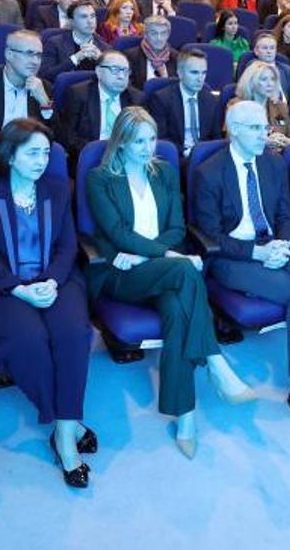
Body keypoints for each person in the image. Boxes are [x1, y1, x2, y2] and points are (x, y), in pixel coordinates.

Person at [86, 107, 252, 456]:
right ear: (121, 142)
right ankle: (216, 362)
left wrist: (154, 255)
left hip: (155, 267)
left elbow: (177, 228)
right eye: (138, 141)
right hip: (122, 273)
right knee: (186, 269)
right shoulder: (100, 178)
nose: (147, 148)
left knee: (178, 310)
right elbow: (116, 232)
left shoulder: (163, 172)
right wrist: (169, 256)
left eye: (150, 139)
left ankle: (186, 417)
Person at [193, 101, 290, 441]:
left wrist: (285, 244)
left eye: (265, 126)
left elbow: (284, 213)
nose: (264, 133)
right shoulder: (208, 172)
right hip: (234, 259)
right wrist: (258, 253)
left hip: (272, 245)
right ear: (232, 129)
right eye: (254, 128)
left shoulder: (273, 163)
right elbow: (210, 237)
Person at [0, 119, 96, 486]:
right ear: (10, 154)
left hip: (56, 279)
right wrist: (19, 288)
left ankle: (64, 437)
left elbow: (67, 245)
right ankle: (67, 422)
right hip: (3, 286)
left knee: (73, 335)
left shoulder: (57, 188)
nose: (42, 161)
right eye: (32, 153)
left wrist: (52, 280)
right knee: (28, 342)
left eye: (45, 153)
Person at [58, 50, 142, 160]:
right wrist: (98, 154)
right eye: (115, 70)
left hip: (126, 157)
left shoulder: (136, 99)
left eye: (125, 71)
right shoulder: (79, 95)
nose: (121, 76)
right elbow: (70, 137)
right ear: (99, 72)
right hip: (90, 157)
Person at [146, 49, 220, 157]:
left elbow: (216, 137)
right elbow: (161, 138)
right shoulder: (161, 99)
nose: (200, 79)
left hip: (204, 157)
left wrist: (200, 153)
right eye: (194, 72)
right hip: (176, 157)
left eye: (203, 73)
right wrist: (187, 153)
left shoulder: (211, 100)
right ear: (180, 73)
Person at [228, 61, 290, 152]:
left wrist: (289, 142)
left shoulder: (279, 106)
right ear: (251, 81)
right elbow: (232, 140)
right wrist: (263, 141)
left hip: (279, 157)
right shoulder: (237, 106)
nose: (270, 84)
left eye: (273, 79)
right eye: (264, 79)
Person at [40, 2, 112, 80]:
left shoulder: (105, 48)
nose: (90, 21)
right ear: (71, 22)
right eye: (84, 17)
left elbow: (113, 79)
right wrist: (76, 58)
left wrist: (102, 61)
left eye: (93, 16)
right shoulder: (54, 43)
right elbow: (45, 75)